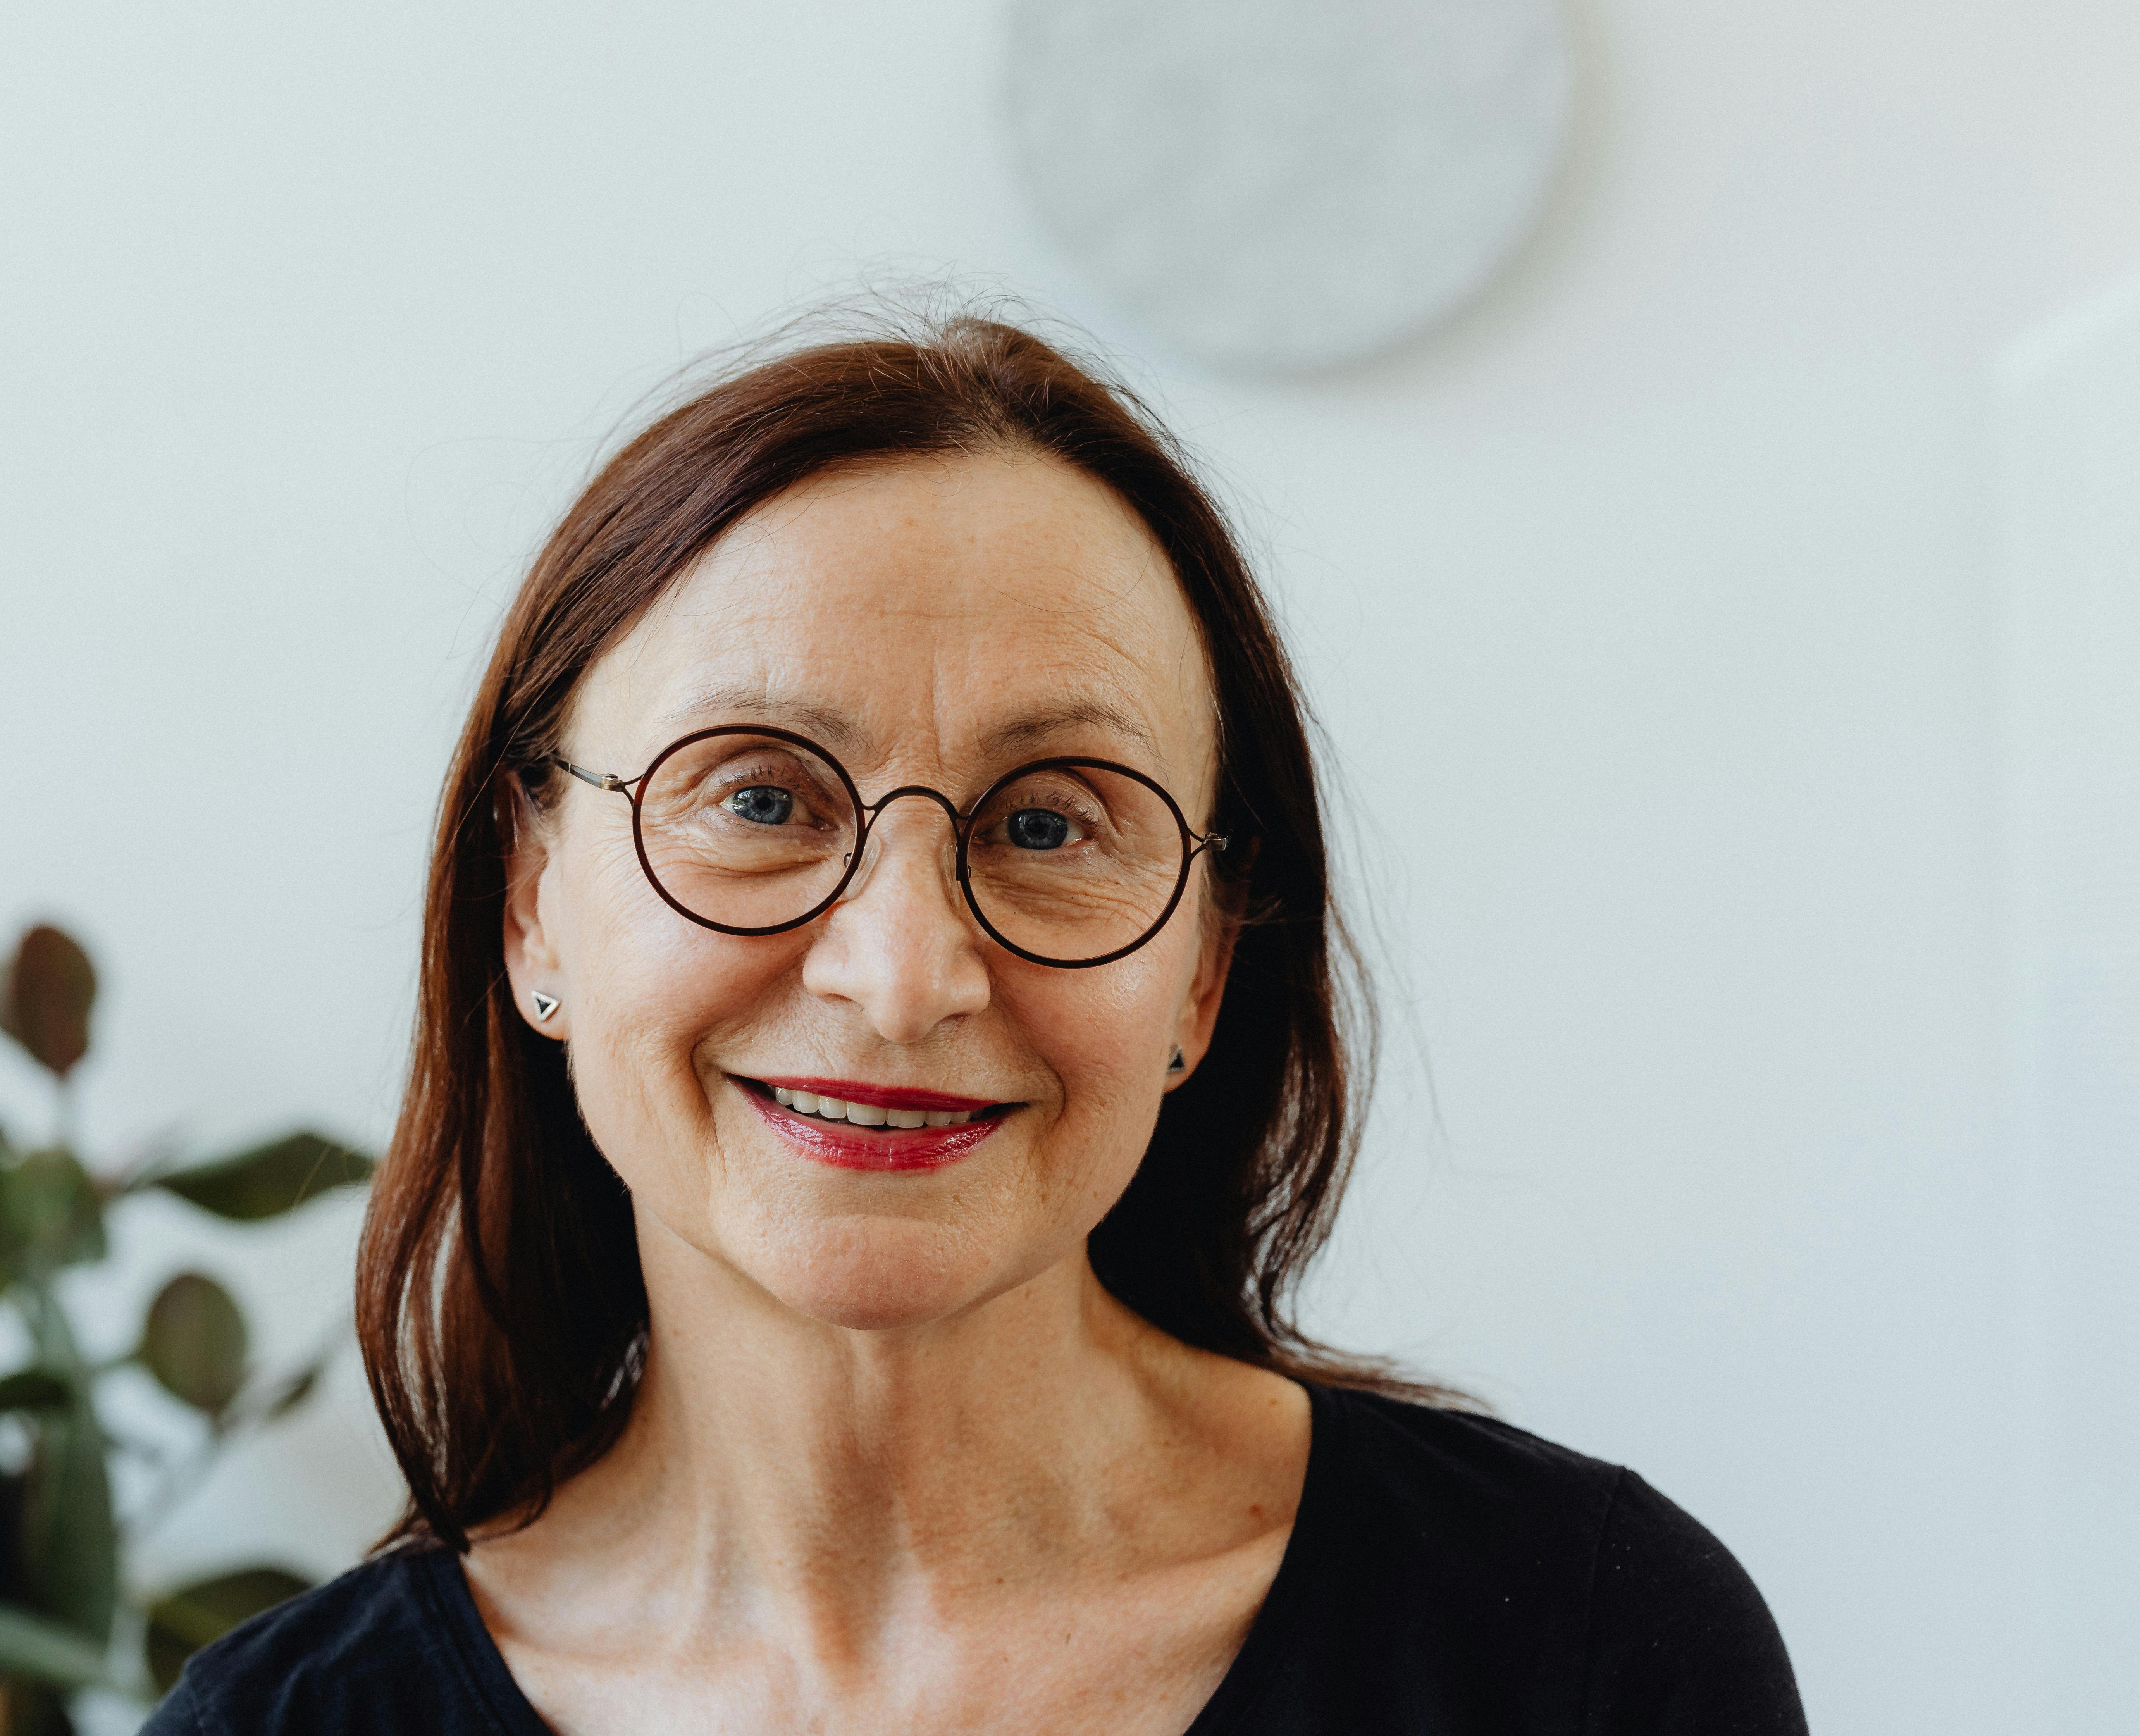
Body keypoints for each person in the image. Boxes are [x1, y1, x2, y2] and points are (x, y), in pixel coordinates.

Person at [145, 310, 1806, 1733]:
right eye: (761, 797)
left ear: (1206, 972)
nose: (902, 973)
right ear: (530, 902)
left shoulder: (1586, 1650)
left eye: (1048, 824)